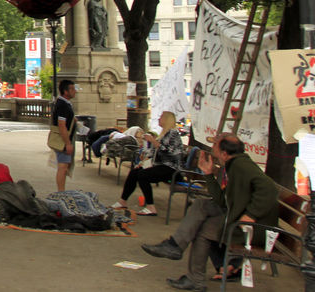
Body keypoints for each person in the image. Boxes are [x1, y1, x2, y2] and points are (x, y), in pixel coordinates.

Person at [140, 132, 280, 291]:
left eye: (214, 145)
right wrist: (208, 174)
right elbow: (222, 200)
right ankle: (176, 248)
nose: (212, 148)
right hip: (237, 218)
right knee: (201, 206)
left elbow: (269, 190)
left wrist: (251, 215)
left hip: (252, 229)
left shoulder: (241, 166)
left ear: (224, 153)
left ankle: (188, 267)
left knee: (202, 229)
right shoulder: (233, 165)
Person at [110, 111, 185, 216]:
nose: (159, 119)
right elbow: (155, 153)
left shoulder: (173, 133)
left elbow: (169, 152)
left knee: (143, 175)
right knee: (134, 172)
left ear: (167, 120)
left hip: (171, 168)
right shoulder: (164, 134)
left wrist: (153, 141)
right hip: (160, 166)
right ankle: (123, 201)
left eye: (161, 117)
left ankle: (151, 207)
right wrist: (143, 161)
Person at [52, 79, 76, 191]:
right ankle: (61, 192)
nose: (75, 91)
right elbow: (62, 125)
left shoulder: (64, 104)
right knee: (62, 167)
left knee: (64, 166)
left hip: (64, 140)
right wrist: (68, 143)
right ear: (65, 91)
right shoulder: (63, 105)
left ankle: (61, 191)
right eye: (72, 89)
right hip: (63, 141)